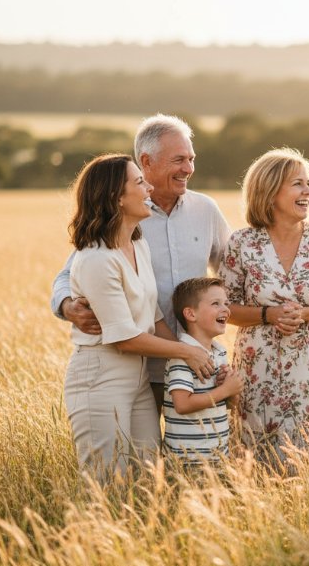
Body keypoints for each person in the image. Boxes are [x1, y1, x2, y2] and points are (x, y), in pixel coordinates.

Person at [51, 114, 232, 414]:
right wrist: (68, 307)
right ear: (146, 162)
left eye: (191, 159)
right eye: (178, 160)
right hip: (135, 367)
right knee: (132, 456)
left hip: (192, 368)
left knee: (187, 453)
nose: (188, 169)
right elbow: (69, 273)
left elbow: (231, 273)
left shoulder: (206, 210)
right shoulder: (123, 217)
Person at [63, 154, 213, 479]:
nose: (149, 188)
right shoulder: (96, 260)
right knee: (106, 486)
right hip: (100, 378)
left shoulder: (137, 245)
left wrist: (189, 359)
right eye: (139, 182)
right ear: (116, 197)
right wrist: (189, 352)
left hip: (139, 380)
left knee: (149, 479)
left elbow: (155, 318)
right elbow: (126, 339)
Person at [217, 148, 309, 468]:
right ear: (269, 190)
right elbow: (225, 308)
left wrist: (304, 313)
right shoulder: (242, 243)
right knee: (260, 459)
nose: (307, 191)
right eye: (297, 184)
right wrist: (269, 315)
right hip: (259, 367)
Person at [163, 277, 243, 467]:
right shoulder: (183, 356)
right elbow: (182, 404)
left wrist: (232, 390)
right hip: (188, 459)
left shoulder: (220, 352)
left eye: (226, 303)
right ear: (191, 314)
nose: (226, 309)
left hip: (218, 457)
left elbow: (228, 405)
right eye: (216, 303)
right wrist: (224, 390)